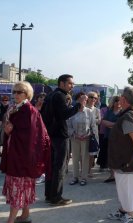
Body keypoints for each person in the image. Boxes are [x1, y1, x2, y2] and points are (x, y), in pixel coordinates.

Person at [0, 81, 51, 223]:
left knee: (19, 187)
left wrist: (11, 131)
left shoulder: (28, 110)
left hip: (22, 157)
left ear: (27, 94)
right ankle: (25, 214)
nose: (15, 94)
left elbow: (32, 136)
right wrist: (9, 132)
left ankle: (10, 221)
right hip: (17, 154)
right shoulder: (17, 108)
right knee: (24, 186)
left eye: (19, 92)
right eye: (14, 91)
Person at [41, 74, 86, 206]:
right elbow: (64, 114)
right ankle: (56, 197)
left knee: (52, 167)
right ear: (62, 83)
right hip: (59, 136)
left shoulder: (50, 96)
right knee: (60, 167)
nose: (72, 86)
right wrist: (79, 105)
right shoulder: (59, 96)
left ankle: (50, 195)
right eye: (70, 83)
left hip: (51, 135)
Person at [107, 87, 133, 223]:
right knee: (122, 187)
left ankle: (130, 217)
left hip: (127, 161)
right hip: (123, 160)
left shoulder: (129, 116)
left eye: (121, 97)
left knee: (128, 189)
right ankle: (123, 211)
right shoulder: (130, 113)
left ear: (124, 100)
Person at [68, 92, 99, 186]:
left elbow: (93, 125)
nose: (83, 101)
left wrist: (89, 135)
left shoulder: (89, 112)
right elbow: (68, 125)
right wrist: (74, 134)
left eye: (85, 99)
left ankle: (84, 178)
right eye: (81, 99)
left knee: (85, 158)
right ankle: (75, 177)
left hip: (86, 138)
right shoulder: (72, 111)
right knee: (75, 158)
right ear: (77, 100)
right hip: (75, 138)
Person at [98, 96, 121, 182]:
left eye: (119, 101)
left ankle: (119, 176)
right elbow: (103, 122)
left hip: (119, 139)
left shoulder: (123, 112)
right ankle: (112, 175)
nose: (118, 103)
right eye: (116, 101)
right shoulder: (109, 112)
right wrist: (115, 125)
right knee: (110, 156)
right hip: (109, 137)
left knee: (118, 157)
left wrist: (111, 124)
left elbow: (122, 124)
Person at [86, 91, 101, 177]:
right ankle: (84, 169)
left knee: (92, 153)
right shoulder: (83, 108)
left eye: (95, 98)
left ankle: (89, 170)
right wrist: (94, 120)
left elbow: (99, 121)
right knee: (83, 153)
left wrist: (90, 120)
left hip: (94, 134)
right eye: (91, 97)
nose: (93, 99)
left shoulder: (97, 110)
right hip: (83, 134)